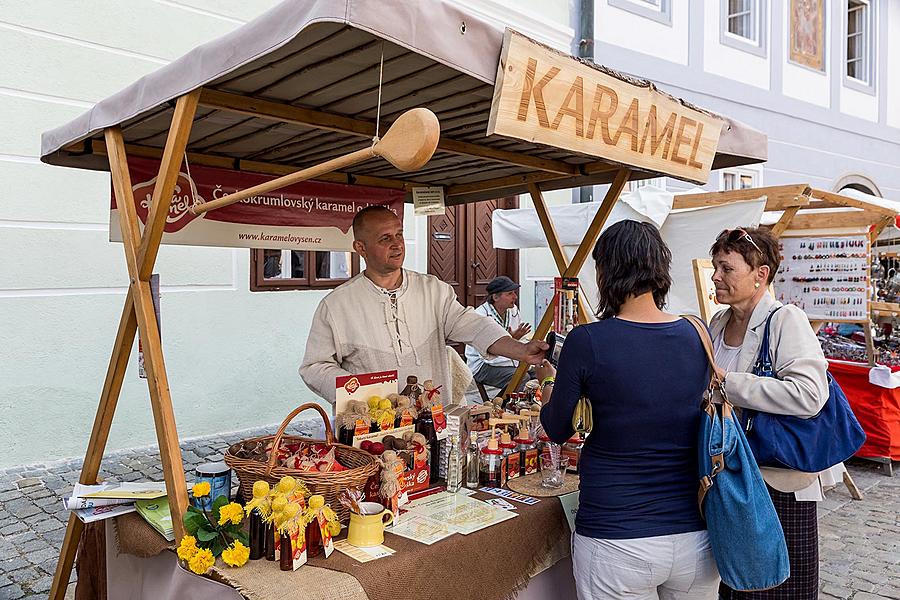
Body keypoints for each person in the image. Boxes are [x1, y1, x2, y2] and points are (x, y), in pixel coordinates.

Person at [537, 220, 719, 600]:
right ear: (660, 269)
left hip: (616, 537)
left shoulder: (587, 340)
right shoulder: (696, 332)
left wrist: (549, 383)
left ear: (606, 272)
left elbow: (556, 428)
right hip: (695, 535)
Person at [299, 206, 547, 404]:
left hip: (434, 424)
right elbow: (314, 366)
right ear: (360, 248)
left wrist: (520, 349)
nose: (397, 244)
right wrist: (360, 393)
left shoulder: (433, 291)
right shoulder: (336, 305)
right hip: (372, 432)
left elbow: (474, 326)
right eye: (385, 238)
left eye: (399, 235)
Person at [709, 227, 828, 600]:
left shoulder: (785, 319)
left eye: (727, 269)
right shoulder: (717, 323)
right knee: (736, 584)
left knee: (777, 587)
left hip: (778, 481)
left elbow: (810, 395)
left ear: (760, 273)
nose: (716, 276)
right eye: (715, 267)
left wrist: (731, 383)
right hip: (731, 477)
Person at [464, 276, 532, 392]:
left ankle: (533, 405)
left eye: (514, 293)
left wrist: (516, 343)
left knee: (540, 370)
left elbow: (522, 340)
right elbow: (488, 354)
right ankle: (509, 405)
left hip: (509, 359)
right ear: (495, 297)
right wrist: (511, 339)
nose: (515, 297)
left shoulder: (513, 310)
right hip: (483, 365)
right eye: (510, 293)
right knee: (521, 376)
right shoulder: (480, 315)